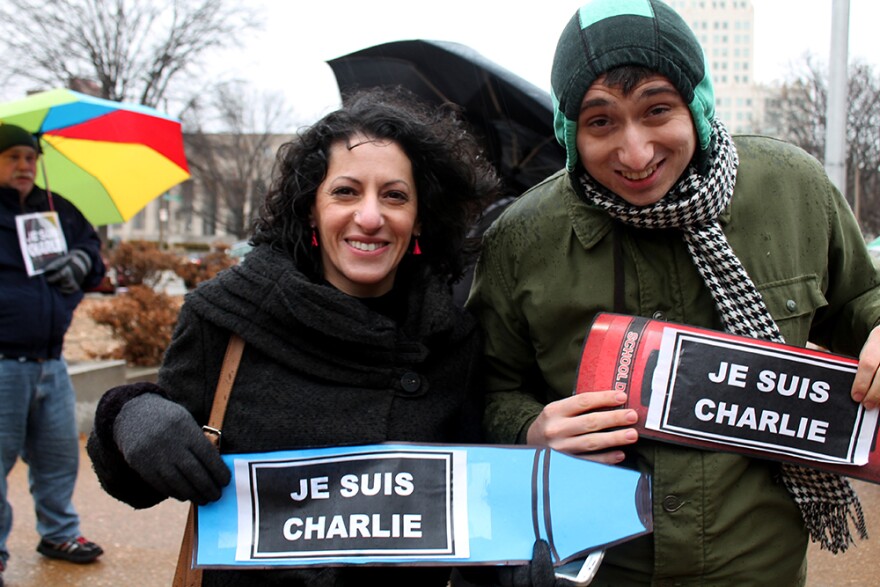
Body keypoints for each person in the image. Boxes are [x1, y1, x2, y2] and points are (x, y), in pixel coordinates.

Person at [467, 0, 880, 584]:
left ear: (698, 102)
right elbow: (487, 384)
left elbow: (862, 303)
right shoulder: (522, 239)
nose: (635, 154)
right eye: (601, 122)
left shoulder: (795, 191)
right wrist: (531, 430)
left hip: (758, 568)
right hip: (600, 566)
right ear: (570, 130)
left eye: (658, 109)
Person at [86, 88, 500, 586]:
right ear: (311, 209)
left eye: (394, 195)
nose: (369, 217)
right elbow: (144, 480)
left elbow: (479, 509)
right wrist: (130, 415)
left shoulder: (454, 340)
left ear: (419, 220)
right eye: (346, 192)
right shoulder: (229, 315)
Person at [0, 123, 106, 584]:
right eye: (13, 157)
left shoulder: (55, 209)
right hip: (3, 363)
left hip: (52, 361)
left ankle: (59, 533)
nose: (25, 166)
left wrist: (81, 263)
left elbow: (91, 251)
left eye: (30, 157)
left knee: (59, 458)